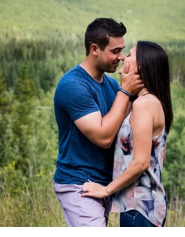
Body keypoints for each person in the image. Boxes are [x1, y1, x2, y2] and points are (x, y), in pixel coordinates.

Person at [53, 17, 143, 227]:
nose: (121, 57)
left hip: (103, 184)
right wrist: (126, 92)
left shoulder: (111, 85)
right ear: (94, 49)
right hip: (79, 184)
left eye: (123, 50)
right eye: (115, 51)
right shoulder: (73, 85)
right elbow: (103, 137)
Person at [81, 41, 172, 227]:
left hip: (140, 208)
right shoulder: (147, 102)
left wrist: (106, 190)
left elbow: (141, 162)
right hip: (146, 207)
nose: (123, 57)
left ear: (142, 66)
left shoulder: (144, 105)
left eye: (129, 55)